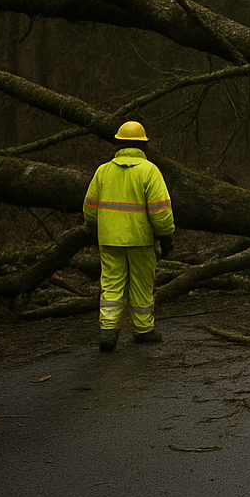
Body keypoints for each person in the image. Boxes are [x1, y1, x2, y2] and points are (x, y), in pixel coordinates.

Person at [82, 121, 175, 351]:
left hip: (109, 240)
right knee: (142, 284)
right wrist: (166, 236)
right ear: (143, 144)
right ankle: (143, 330)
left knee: (111, 285)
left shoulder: (103, 171)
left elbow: (89, 209)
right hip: (141, 240)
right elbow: (161, 212)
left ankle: (108, 332)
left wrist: (98, 226)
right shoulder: (149, 170)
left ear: (119, 144)